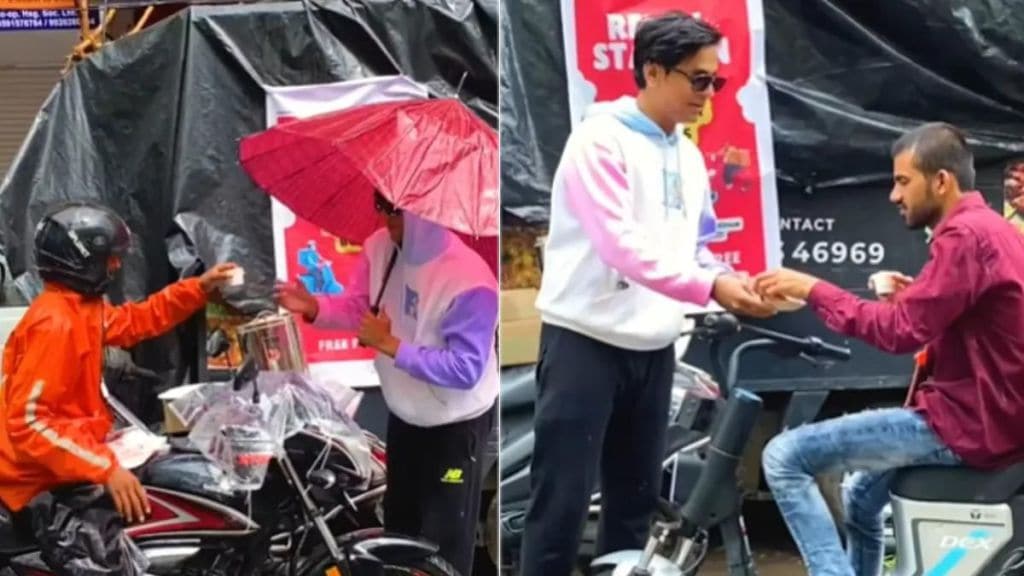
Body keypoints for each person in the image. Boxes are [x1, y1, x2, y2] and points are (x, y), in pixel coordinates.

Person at [518, 11, 775, 575]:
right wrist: (713, 285)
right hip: (585, 344)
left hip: (655, 350)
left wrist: (744, 284)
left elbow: (698, 248)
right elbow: (622, 248)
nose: (709, 93)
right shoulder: (598, 143)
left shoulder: (687, 154)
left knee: (633, 510)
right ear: (653, 72)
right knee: (560, 505)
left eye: (717, 81)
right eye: (699, 79)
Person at [754, 122, 1024, 576]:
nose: (894, 196)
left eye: (902, 181)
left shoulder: (964, 237)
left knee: (782, 457)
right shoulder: (991, 229)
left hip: (970, 422)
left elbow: (899, 333)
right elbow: (964, 314)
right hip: (991, 414)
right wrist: (915, 293)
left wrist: (813, 289)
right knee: (860, 496)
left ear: (941, 180)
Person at [275, 191, 498, 576]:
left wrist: (391, 345)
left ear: (427, 211)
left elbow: (466, 369)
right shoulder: (381, 247)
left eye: (395, 211)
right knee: (399, 528)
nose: (385, 220)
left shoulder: (469, 279)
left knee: (442, 541)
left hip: (455, 426)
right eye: (380, 206)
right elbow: (360, 308)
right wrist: (314, 308)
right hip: (404, 414)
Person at [0, 202, 236, 563]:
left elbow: (134, 322)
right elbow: (29, 423)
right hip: (35, 480)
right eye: (108, 258)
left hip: (68, 459)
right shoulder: (54, 324)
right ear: (81, 260)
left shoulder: (80, 308)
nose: (116, 266)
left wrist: (196, 289)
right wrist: (105, 469)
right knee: (114, 558)